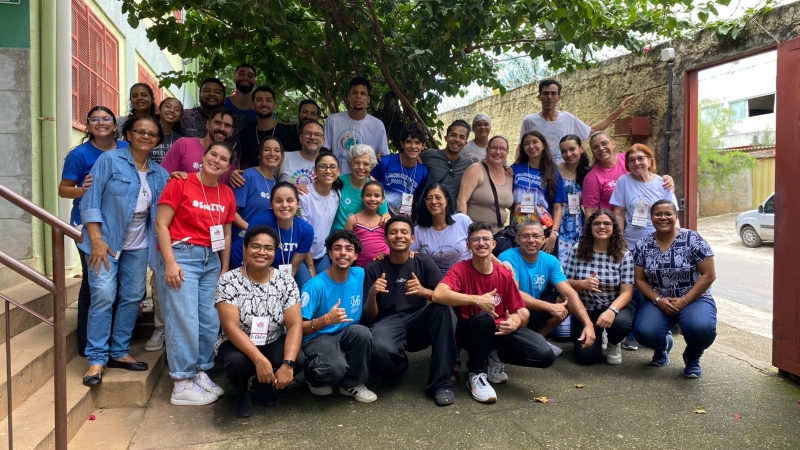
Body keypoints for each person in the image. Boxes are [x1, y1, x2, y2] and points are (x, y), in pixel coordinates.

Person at [78, 116, 169, 387]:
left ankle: (118, 351)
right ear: (128, 134)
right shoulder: (109, 161)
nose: (145, 136)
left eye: (152, 134)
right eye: (140, 131)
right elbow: (90, 202)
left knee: (132, 296)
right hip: (104, 243)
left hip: (138, 246)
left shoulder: (159, 173)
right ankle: (97, 358)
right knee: (104, 295)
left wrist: (179, 177)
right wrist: (96, 240)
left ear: (157, 141)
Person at [432, 222, 554, 404]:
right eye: (476, 240)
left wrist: (514, 322)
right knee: (484, 317)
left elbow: (517, 310)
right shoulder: (460, 269)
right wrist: (477, 299)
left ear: (493, 244)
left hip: (499, 330)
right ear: (468, 245)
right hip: (469, 332)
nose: (481, 243)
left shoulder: (504, 273)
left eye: (485, 239)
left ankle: (494, 356)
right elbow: (438, 294)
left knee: (544, 355)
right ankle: (475, 373)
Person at [155, 141, 236, 406]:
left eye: (223, 159)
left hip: (210, 260)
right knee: (184, 319)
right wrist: (170, 262)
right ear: (204, 156)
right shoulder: (180, 183)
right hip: (183, 256)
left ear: (228, 166)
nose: (216, 160)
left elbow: (226, 233)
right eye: (213, 154)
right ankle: (181, 383)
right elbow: (161, 223)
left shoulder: (226, 193)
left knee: (209, 320)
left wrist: (224, 268)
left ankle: (200, 372)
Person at [363, 216, 457, 406]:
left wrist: (423, 292)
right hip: (387, 324)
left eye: (404, 232)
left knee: (444, 311)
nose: (399, 236)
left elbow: (444, 294)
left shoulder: (423, 261)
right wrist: (372, 294)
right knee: (379, 347)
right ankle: (398, 366)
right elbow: (369, 316)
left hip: (417, 321)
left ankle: (440, 383)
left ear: (412, 239)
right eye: (393, 232)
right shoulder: (374, 267)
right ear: (386, 239)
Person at [59, 106, 129, 357]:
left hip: (120, 225)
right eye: (95, 119)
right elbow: (64, 189)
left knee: (120, 286)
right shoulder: (79, 154)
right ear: (88, 126)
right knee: (94, 286)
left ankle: (114, 342)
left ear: (115, 124)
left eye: (106, 118)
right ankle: (87, 344)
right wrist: (83, 190)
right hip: (88, 226)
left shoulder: (125, 148)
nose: (101, 123)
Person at [214, 225, 305, 418]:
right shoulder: (229, 280)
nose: (262, 252)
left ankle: (262, 383)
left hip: (272, 339)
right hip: (236, 342)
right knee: (236, 362)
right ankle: (241, 392)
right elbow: (230, 328)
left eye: (268, 248)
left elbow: (295, 324)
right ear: (245, 249)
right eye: (255, 246)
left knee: (298, 358)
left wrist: (288, 364)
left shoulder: (286, 281)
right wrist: (260, 360)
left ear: (274, 252)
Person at [632, 200, 717, 378]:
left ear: (676, 216)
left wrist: (684, 300)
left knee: (701, 329)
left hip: (694, 298)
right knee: (645, 333)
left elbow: (709, 275)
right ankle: (662, 347)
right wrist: (658, 300)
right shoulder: (643, 244)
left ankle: (693, 356)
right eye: (658, 214)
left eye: (668, 214)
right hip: (659, 300)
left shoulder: (693, 239)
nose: (663, 217)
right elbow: (639, 279)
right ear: (651, 218)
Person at [609, 144, 679, 351]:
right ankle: (633, 333)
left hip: (661, 244)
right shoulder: (623, 182)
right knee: (637, 289)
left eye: (641, 158)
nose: (637, 162)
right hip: (632, 244)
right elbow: (619, 214)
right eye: (631, 160)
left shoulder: (663, 183)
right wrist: (620, 242)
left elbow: (673, 215)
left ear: (650, 160)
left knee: (660, 286)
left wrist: (677, 241)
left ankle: (661, 330)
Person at [498, 221, 596, 357]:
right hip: (512, 311)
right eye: (525, 236)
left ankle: (538, 339)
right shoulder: (507, 257)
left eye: (536, 236)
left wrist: (588, 324)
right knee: (521, 311)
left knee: (565, 301)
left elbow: (569, 292)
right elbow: (513, 294)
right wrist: (549, 307)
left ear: (543, 239)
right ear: (517, 239)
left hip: (534, 309)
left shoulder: (551, 260)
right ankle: (514, 345)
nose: (531, 240)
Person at [300, 230, 377, 403]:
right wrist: (325, 320)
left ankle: (352, 383)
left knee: (363, 332)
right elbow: (298, 328)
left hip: (347, 333)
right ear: (329, 253)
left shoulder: (360, 274)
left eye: (349, 249)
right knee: (333, 370)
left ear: (356, 255)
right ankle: (313, 376)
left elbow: (383, 264)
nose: (343, 253)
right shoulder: (314, 286)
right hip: (318, 337)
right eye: (337, 248)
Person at [564, 209, 634, 365]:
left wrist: (612, 310)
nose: (602, 226)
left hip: (614, 306)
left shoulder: (624, 254)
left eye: (607, 223)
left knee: (621, 323)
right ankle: (598, 333)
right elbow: (566, 282)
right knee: (587, 358)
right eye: (597, 223)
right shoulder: (577, 249)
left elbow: (627, 293)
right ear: (590, 227)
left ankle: (614, 341)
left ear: (614, 227)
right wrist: (583, 283)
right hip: (586, 308)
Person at [519, 79, 633, 163]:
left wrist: (617, 112)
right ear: (539, 97)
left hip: (564, 173)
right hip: (539, 172)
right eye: (545, 93)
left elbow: (592, 131)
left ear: (559, 98)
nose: (549, 97)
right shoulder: (530, 121)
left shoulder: (567, 118)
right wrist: (516, 168)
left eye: (553, 93)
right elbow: (521, 147)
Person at [230, 183, 313, 288]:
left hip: (277, 267)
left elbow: (292, 269)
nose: (285, 205)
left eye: (290, 200)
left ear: (297, 204)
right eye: (279, 201)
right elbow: (248, 261)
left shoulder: (306, 231)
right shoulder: (261, 220)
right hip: (244, 261)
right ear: (271, 205)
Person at [583, 131, 674, 219]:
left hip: (645, 219)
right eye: (595, 147)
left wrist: (665, 180)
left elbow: (647, 175)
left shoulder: (630, 159)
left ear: (613, 143)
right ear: (592, 151)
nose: (601, 148)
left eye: (604, 143)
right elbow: (591, 212)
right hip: (613, 223)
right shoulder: (592, 178)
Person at [511, 130, 566, 256]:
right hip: (518, 230)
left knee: (543, 265)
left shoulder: (553, 172)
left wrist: (554, 234)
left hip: (543, 231)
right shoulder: (516, 168)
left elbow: (558, 207)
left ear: (543, 145)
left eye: (535, 142)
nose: (531, 146)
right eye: (526, 143)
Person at [324, 77, 390, 174]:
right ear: (349, 96)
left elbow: (383, 156)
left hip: (365, 181)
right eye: (355, 93)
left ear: (368, 99)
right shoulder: (333, 121)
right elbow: (324, 152)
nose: (358, 97)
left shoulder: (377, 125)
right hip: (337, 180)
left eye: (363, 94)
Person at [296, 152, 342, 288]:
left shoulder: (336, 194)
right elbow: (300, 235)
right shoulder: (304, 196)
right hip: (301, 254)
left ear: (338, 171)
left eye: (332, 167)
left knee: (328, 288)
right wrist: (311, 267)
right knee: (309, 289)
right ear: (315, 171)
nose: (328, 171)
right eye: (323, 167)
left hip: (321, 254)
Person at [161, 108, 235, 186]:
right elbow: (161, 177)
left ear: (231, 132)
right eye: (217, 123)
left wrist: (234, 174)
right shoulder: (183, 144)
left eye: (227, 126)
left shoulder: (228, 159)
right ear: (208, 125)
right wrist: (170, 179)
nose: (222, 129)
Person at [411, 183, 473, 275]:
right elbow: (408, 253)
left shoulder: (462, 220)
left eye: (438, 197)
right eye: (429, 198)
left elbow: (479, 246)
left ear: (447, 201)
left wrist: (496, 264)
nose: (433, 201)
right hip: (439, 278)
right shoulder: (419, 230)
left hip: (466, 274)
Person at [370, 123, 429, 217]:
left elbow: (416, 197)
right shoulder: (385, 162)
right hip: (377, 217)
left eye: (417, 142)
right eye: (408, 142)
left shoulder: (423, 172)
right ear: (402, 144)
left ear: (423, 145)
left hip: (400, 220)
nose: (413, 146)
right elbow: (368, 185)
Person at [458, 136, 513, 235]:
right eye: (494, 148)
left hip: (499, 234)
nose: (498, 152)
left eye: (502, 149)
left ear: (507, 153)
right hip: (475, 233)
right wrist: (464, 231)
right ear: (487, 150)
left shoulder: (509, 175)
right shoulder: (476, 169)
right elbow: (461, 200)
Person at [231, 136, 283, 238]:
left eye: (277, 150)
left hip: (266, 242)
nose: (272, 153)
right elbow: (231, 212)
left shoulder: (277, 183)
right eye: (267, 149)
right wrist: (252, 230)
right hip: (243, 240)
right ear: (259, 155)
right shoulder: (247, 176)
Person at [331, 144, 390, 232]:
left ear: (371, 167)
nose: (361, 167)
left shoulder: (375, 188)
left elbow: (384, 214)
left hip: (363, 237)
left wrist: (386, 216)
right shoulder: (338, 181)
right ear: (350, 164)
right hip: (338, 236)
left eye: (366, 164)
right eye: (357, 163)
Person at [239, 86, 301, 168]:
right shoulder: (246, 134)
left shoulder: (290, 132)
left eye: (268, 100)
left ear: (274, 106)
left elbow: (297, 162)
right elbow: (244, 165)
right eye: (259, 100)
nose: (264, 104)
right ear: (252, 105)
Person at [420, 120, 475, 201]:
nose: (457, 140)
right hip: (427, 206)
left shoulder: (468, 164)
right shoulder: (429, 155)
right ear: (446, 138)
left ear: (465, 143)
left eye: (462, 137)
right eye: (453, 135)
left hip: (452, 209)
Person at [555, 135, 589, 264]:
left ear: (581, 149)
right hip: (557, 219)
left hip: (578, 222)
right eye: (564, 151)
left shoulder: (588, 173)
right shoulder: (555, 170)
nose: (568, 154)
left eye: (572, 149)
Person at [345, 181, 390, 268]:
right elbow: (346, 244)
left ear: (383, 199)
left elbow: (391, 243)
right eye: (368, 195)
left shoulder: (384, 221)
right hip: (362, 268)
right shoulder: (353, 220)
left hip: (384, 266)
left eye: (377, 196)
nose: (372, 199)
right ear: (362, 197)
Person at [279, 121, 323, 187]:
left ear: (323, 140)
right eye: (308, 133)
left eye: (317, 135)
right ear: (300, 137)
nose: (312, 137)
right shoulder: (284, 158)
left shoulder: (329, 164)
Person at [151, 97, 184, 164]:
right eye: (168, 106)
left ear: (180, 118)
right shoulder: (146, 133)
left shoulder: (179, 140)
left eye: (177, 110)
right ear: (158, 110)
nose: (172, 111)